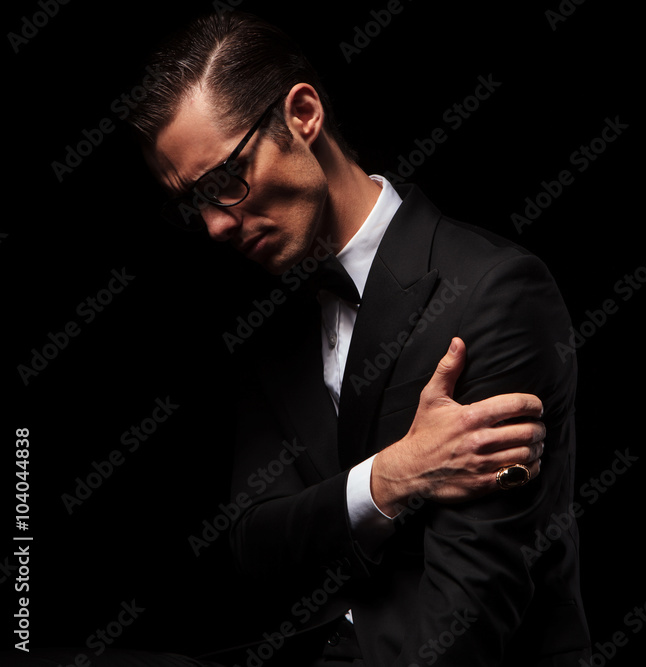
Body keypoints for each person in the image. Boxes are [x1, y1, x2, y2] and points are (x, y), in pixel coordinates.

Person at [8, 11, 588, 666]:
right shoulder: (275, 317)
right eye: (192, 203)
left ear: (303, 115)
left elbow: (474, 612)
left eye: (225, 181)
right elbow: (254, 542)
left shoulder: (494, 291)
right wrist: (388, 479)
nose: (214, 226)